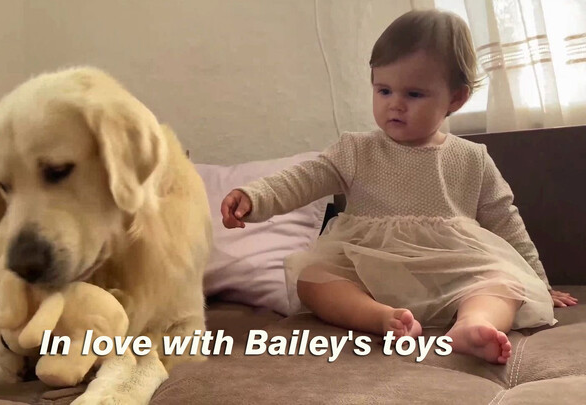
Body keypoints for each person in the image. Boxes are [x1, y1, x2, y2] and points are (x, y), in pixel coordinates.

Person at [220, 9, 577, 364]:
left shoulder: (472, 158)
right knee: (313, 279)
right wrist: (255, 198)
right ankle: (381, 318)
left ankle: (473, 324)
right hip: (370, 274)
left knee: (503, 284)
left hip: (453, 272)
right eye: (384, 89)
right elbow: (304, 178)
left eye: (415, 94)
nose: (395, 104)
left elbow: (505, 220)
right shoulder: (356, 150)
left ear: (456, 99)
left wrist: (537, 280)